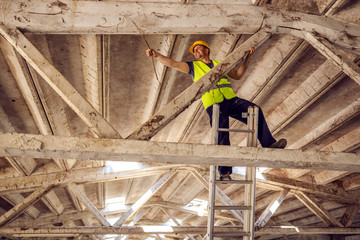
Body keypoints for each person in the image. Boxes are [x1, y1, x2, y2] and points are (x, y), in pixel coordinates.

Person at [146, 40, 287, 180]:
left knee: (254, 111)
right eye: (194, 51)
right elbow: (173, 63)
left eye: (198, 49)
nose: (196, 52)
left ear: (207, 50)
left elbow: (237, 75)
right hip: (214, 104)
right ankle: (224, 172)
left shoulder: (220, 65)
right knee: (222, 133)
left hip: (231, 100)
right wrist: (156, 55)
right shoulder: (193, 67)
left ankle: (269, 144)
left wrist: (248, 58)